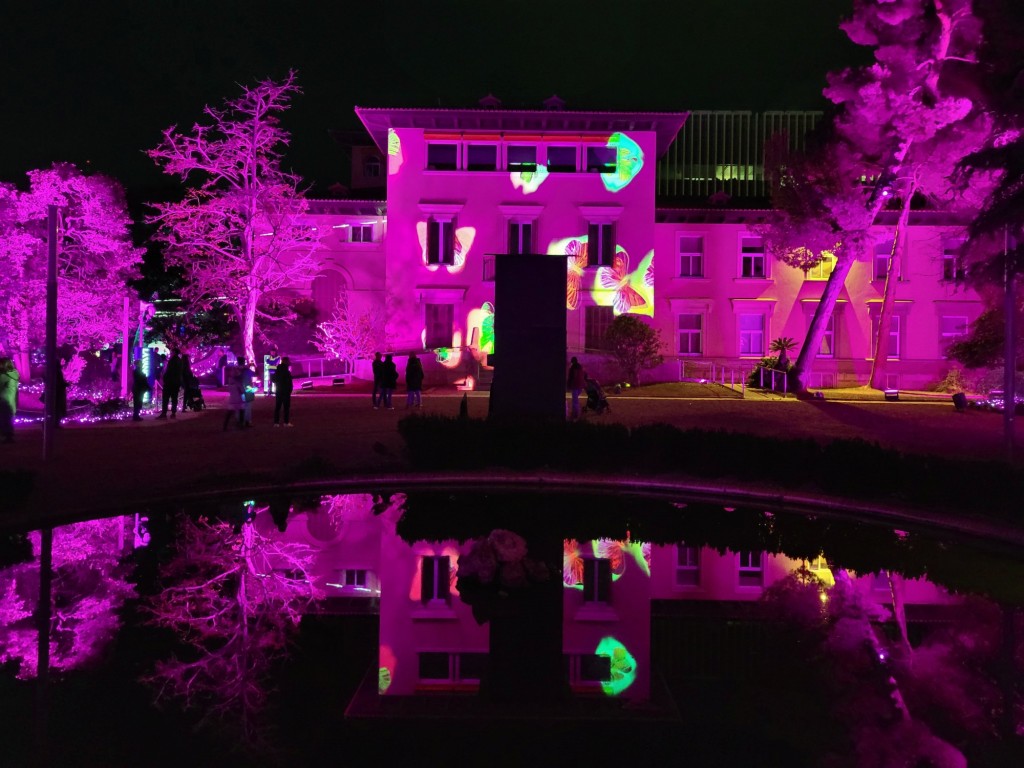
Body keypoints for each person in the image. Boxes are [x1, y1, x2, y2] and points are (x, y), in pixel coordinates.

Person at [157, 349, 182, 419]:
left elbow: (169, 372)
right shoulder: (180, 361)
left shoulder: (172, 361)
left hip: (169, 382)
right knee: (174, 398)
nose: (170, 353)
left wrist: (165, 378)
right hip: (176, 383)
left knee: (165, 398)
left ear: (174, 352)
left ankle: (164, 413)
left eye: (171, 352)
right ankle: (173, 413)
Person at [0, 357, 19, 443]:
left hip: (3, 400)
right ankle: (8, 436)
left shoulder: (4, 376)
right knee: (8, 418)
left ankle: (7, 436)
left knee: (4, 418)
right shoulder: (14, 375)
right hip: (11, 400)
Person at [272, 357, 294, 427]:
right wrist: (290, 390)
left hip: (279, 391)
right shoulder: (287, 372)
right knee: (286, 408)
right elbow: (289, 383)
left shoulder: (277, 370)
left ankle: (276, 422)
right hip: (286, 392)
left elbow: (273, 379)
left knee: (277, 407)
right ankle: (286, 422)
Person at [222, 366, 245, 431]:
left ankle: (225, 426)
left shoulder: (230, 382)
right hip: (238, 399)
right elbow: (242, 391)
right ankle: (241, 425)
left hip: (232, 399)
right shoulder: (238, 383)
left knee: (229, 414)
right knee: (241, 411)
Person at [566, 356, 586, 421]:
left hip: (575, 385)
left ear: (573, 361)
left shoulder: (573, 367)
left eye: (571, 362)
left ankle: (575, 413)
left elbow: (574, 376)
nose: (571, 363)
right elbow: (582, 375)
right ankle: (575, 411)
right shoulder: (580, 367)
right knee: (575, 399)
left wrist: (570, 385)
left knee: (575, 400)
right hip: (580, 386)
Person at [238, 358, 256, 427]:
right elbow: (255, 374)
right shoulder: (247, 370)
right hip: (248, 389)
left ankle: (239, 420)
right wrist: (253, 366)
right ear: (244, 362)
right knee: (248, 406)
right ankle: (247, 421)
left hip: (238, 390)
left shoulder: (235, 370)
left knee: (239, 406)